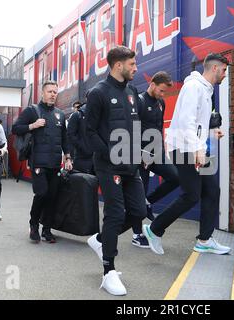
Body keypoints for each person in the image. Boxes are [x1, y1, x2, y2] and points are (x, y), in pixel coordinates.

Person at [142, 53, 231, 256]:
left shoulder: (205, 90)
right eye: (224, 70)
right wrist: (198, 149)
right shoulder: (193, 87)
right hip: (184, 148)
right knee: (191, 195)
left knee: (211, 190)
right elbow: (185, 121)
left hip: (194, 147)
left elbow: (198, 122)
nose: (225, 75)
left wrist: (211, 131)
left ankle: (204, 240)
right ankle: (154, 229)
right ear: (215, 68)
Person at [85, 46, 146, 296]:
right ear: (118, 65)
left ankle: (100, 240)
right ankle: (108, 270)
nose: (135, 68)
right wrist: (111, 154)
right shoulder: (98, 93)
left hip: (131, 164)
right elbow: (89, 132)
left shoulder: (132, 91)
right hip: (109, 164)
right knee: (114, 214)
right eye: (132, 64)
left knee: (139, 212)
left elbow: (136, 127)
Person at [12, 80, 73, 244]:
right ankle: (33, 224)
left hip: (55, 163)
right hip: (38, 162)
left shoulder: (60, 114)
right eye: (50, 91)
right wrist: (33, 125)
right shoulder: (33, 110)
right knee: (42, 193)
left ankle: (47, 229)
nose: (53, 94)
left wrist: (67, 157)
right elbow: (15, 128)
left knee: (52, 197)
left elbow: (64, 138)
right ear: (43, 93)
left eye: (55, 92)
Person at [130, 71, 180, 248]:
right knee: (138, 196)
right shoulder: (139, 102)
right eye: (160, 90)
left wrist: (160, 150)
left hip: (156, 153)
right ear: (152, 84)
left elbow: (159, 128)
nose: (162, 94)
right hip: (140, 154)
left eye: (164, 92)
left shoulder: (161, 103)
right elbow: (132, 130)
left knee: (175, 177)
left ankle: (149, 201)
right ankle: (137, 235)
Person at [67, 102, 94, 174]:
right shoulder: (77, 115)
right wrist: (83, 147)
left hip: (98, 161)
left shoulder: (100, 114)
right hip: (82, 159)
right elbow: (70, 136)